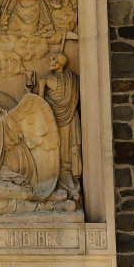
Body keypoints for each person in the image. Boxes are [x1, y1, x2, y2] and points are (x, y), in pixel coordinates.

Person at [38, 52, 82, 198]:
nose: (50, 61)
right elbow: (40, 102)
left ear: (60, 63)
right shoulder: (45, 78)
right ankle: (51, 177)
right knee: (52, 147)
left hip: (68, 116)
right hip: (52, 116)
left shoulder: (72, 78)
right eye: (50, 58)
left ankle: (66, 176)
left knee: (67, 147)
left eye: (54, 59)